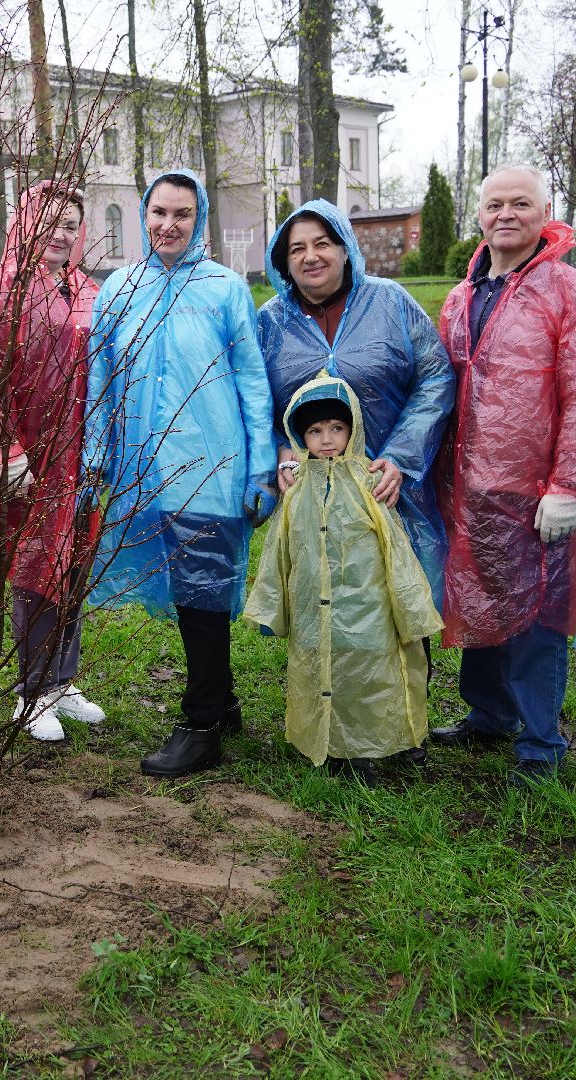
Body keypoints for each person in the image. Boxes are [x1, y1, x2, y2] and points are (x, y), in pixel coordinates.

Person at [83, 170, 276, 778]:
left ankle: (201, 724)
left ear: (200, 219)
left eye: (183, 214)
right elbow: (101, 381)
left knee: (203, 592)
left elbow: (252, 381)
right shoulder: (118, 289)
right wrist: (96, 454)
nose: (169, 225)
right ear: (145, 213)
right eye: (160, 212)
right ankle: (221, 700)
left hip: (213, 465)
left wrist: (261, 468)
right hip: (145, 467)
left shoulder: (224, 290)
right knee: (189, 590)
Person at [431, 165, 576, 788]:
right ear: (479, 213)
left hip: (535, 488)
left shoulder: (572, 292)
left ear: (544, 212)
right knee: (477, 597)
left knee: (536, 611)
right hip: (468, 482)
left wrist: (568, 486)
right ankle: (489, 713)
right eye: (494, 204)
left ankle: (540, 740)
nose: (506, 214)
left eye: (521, 204)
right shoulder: (461, 296)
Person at [245, 376, 443, 785]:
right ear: (301, 436)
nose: (327, 439)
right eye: (315, 431)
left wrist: (408, 605)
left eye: (336, 428)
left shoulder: (369, 483)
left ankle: (378, 741)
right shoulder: (298, 488)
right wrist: (273, 602)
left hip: (367, 600)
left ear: (352, 429)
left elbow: (396, 548)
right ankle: (332, 745)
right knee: (318, 666)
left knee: (371, 669)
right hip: (312, 604)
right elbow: (280, 546)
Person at [256, 200, 454, 602]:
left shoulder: (391, 302)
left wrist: (401, 455)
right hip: (312, 492)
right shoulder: (269, 322)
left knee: (397, 604)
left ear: (345, 248)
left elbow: (435, 377)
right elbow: (254, 399)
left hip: (388, 484)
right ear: (284, 261)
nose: (311, 256)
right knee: (323, 600)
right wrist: (278, 448)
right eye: (297, 249)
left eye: (323, 243)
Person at [0, 181, 105, 742]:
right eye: (50, 219)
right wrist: (6, 452)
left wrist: (101, 449)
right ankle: (31, 690)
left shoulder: (87, 289)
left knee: (72, 562)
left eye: (71, 223)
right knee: (32, 568)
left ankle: (61, 678)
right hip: (26, 460)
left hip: (81, 457)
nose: (61, 232)